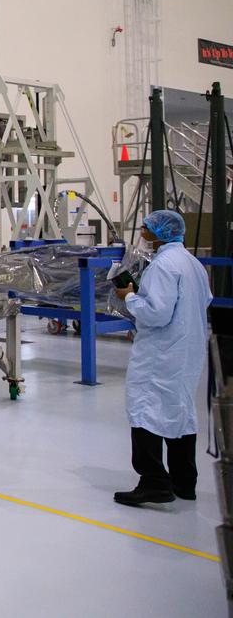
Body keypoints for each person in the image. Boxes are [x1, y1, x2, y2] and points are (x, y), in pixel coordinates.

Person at [112, 210, 212, 506]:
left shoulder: (163, 265)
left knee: (144, 408)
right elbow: (203, 300)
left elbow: (156, 314)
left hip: (160, 351)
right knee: (180, 409)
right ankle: (184, 482)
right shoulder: (193, 264)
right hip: (188, 350)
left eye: (146, 228)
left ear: (159, 233)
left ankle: (153, 481)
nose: (142, 232)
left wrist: (129, 296)